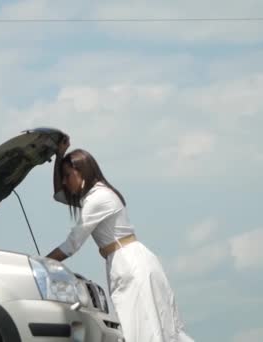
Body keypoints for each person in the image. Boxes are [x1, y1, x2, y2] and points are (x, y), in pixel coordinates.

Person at [46, 136, 195, 342]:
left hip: (130, 264)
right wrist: (60, 156)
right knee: (149, 330)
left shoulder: (97, 199)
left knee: (146, 332)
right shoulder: (93, 196)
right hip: (127, 261)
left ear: (81, 173)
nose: (64, 180)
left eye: (68, 175)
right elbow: (59, 194)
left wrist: (43, 264)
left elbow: (72, 244)